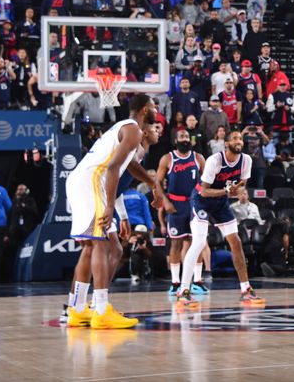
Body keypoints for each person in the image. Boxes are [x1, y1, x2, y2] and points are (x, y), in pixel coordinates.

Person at [65, 95, 163, 329]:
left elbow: (130, 165)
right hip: (92, 181)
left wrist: (152, 183)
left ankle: (77, 309)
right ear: (142, 109)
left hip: (81, 180)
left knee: (90, 246)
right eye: (153, 106)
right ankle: (101, 311)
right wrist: (110, 206)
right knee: (99, 244)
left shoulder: (125, 130)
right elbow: (112, 168)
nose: (156, 109)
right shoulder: (133, 130)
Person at [175, 131, 265, 307]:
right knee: (199, 242)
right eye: (234, 138)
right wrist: (227, 191)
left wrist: (235, 189)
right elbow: (204, 190)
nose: (238, 141)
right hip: (201, 200)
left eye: (240, 138)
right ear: (226, 144)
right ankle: (183, 290)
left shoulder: (246, 160)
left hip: (221, 202)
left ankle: (246, 290)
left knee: (236, 242)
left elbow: (243, 183)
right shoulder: (215, 160)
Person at [157, 129, 207, 296]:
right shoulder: (168, 158)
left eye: (187, 136)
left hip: (194, 203)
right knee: (176, 244)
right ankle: (175, 282)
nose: (185, 139)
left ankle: (197, 281)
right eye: (181, 136)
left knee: (197, 242)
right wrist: (165, 201)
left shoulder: (198, 158)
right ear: (175, 140)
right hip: (176, 204)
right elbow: (157, 182)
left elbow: (208, 180)